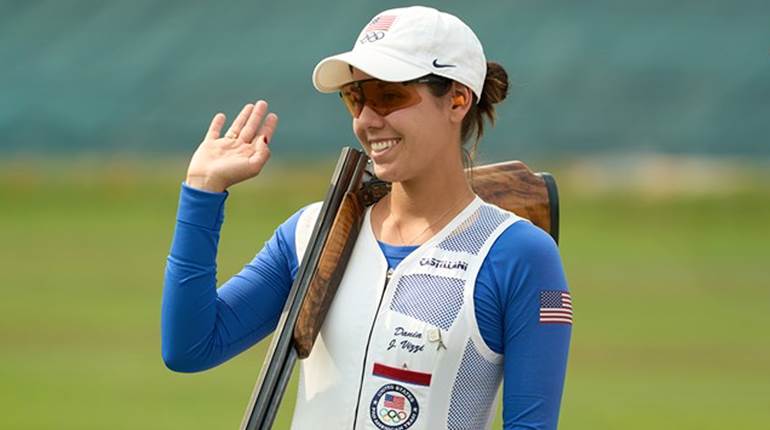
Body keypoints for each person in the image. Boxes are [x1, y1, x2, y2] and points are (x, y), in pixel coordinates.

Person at [162, 6, 571, 430]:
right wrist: (202, 190)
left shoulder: (521, 256)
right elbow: (189, 347)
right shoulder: (310, 233)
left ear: (457, 99)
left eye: (389, 96)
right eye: (356, 98)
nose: (366, 119)